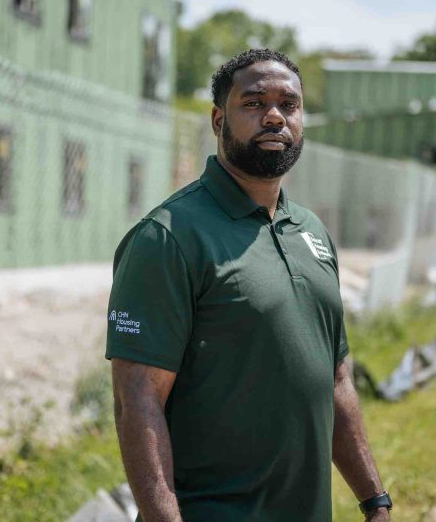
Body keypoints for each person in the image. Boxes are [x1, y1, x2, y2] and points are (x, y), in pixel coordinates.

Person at [105, 49, 391, 521]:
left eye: (289, 105)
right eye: (254, 104)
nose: (275, 117)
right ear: (219, 119)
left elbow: (335, 379)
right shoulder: (169, 236)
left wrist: (374, 500)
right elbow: (136, 401)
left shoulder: (312, 233)